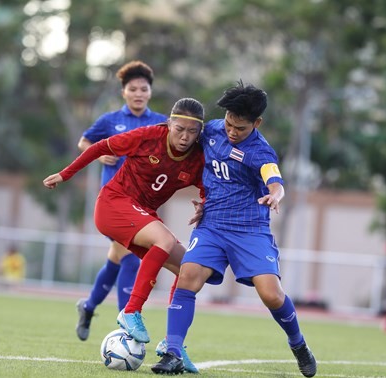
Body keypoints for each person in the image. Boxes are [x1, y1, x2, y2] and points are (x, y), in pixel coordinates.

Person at [151, 81, 317, 377]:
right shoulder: (212, 130)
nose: (231, 131)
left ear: (257, 123)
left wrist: (276, 194)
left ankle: (298, 343)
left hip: (250, 230)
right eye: (229, 123)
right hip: (212, 225)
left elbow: (274, 179)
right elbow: (179, 135)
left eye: (239, 128)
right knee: (188, 276)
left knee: (271, 296)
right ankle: (173, 352)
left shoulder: (261, 152)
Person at [44, 97, 205, 373]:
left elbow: (207, 187)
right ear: (169, 123)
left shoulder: (197, 158)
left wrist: (204, 202)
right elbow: (99, 147)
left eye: (192, 131)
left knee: (189, 270)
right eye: (179, 129)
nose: (185, 136)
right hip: (113, 204)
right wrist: (65, 174)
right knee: (164, 240)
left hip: (143, 215)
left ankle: (173, 346)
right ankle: (131, 311)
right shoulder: (148, 136)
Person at [74, 60, 166, 342]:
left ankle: (88, 307)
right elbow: (84, 143)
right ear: (124, 92)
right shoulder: (109, 120)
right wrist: (99, 154)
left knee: (116, 259)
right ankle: (127, 321)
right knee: (130, 261)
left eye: (143, 89)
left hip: (144, 202)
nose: (138, 93)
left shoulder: (160, 122)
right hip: (114, 201)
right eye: (133, 89)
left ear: (150, 92)